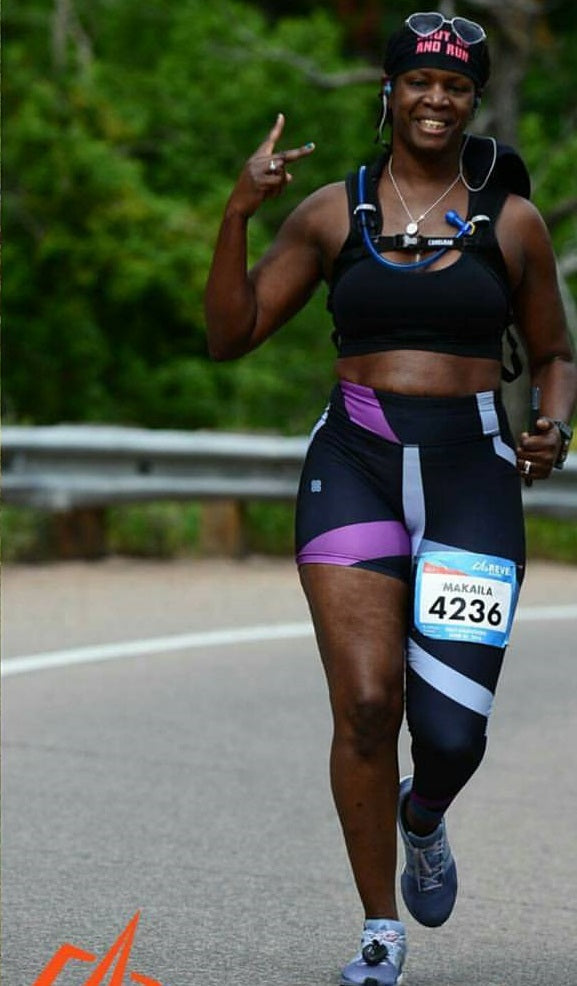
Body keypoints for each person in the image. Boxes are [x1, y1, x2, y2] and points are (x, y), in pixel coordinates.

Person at [204, 11, 577, 985]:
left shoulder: (513, 221)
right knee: (367, 703)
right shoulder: (333, 212)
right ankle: (379, 928)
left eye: (455, 86)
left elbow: (553, 353)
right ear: (391, 90)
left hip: (472, 477)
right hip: (355, 466)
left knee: (450, 734)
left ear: (468, 101)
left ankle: (424, 812)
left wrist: (554, 421)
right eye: (418, 81)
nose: (436, 99)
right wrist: (239, 209)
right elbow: (230, 331)